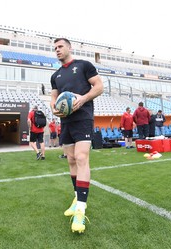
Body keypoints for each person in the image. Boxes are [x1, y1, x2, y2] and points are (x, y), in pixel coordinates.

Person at [50, 38, 104, 233]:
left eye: (60, 46)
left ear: (69, 47)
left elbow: (98, 86)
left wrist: (83, 99)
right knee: (71, 159)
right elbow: (54, 97)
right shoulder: (55, 75)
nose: (57, 50)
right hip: (65, 120)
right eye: (55, 48)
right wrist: (53, 108)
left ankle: (81, 209)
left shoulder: (84, 66)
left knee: (81, 157)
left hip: (83, 117)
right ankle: (76, 197)